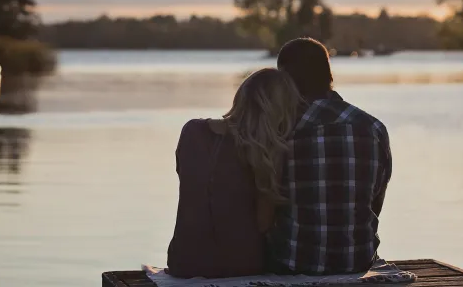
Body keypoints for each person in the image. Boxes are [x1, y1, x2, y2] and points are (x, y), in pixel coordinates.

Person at [267, 38, 392, 275]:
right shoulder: (373, 128)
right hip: (357, 262)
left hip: (291, 264)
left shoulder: (279, 131)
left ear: (283, 79)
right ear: (329, 75)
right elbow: (375, 201)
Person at [167, 68, 303, 278]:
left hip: (184, 261)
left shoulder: (192, 131)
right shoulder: (266, 150)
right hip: (239, 265)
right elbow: (263, 223)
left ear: (241, 96)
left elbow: (191, 186)